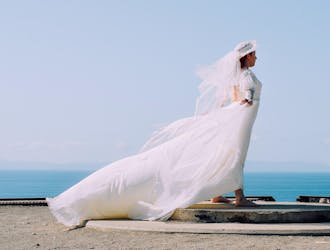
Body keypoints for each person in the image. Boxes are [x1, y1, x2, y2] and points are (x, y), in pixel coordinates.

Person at [46, 40, 262, 226]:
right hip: (239, 120)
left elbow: (225, 99)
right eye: (254, 55)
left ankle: (217, 193)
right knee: (235, 154)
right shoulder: (246, 75)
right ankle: (239, 196)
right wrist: (247, 100)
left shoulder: (234, 76)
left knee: (221, 152)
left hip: (232, 119)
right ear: (248, 56)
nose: (256, 58)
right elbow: (248, 94)